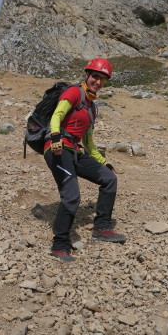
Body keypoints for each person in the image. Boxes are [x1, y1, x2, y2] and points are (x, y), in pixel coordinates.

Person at [44, 57, 126, 262]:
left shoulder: (92, 107)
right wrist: (55, 136)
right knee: (71, 196)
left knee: (109, 178)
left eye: (102, 80)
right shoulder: (73, 92)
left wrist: (103, 162)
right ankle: (60, 244)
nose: (98, 82)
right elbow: (57, 115)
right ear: (87, 75)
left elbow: (89, 142)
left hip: (75, 150)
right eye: (95, 77)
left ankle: (102, 228)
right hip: (58, 148)